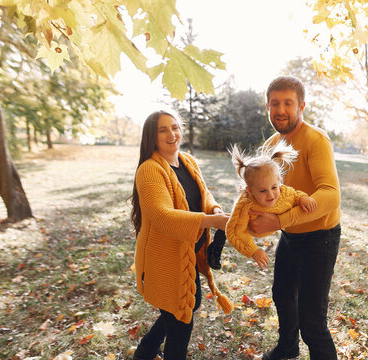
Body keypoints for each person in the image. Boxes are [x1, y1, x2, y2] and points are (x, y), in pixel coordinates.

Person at [249, 76, 342, 360]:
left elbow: (331, 194)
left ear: (301, 106)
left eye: (288, 103)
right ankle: (288, 348)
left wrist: (278, 221)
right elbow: (262, 191)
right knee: (282, 296)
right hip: (290, 236)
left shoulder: (315, 140)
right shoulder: (271, 145)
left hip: (320, 237)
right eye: (275, 103)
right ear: (267, 106)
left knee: (312, 322)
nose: (281, 109)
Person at [130, 110, 232, 360]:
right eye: (163, 130)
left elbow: (204, 195)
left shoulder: (188, 161)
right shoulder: (150, 170)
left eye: (174, 127)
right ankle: (149, 352)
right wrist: (212, 221)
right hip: (164, 260)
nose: (171, 133)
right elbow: (163, 216)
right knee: (180, 323)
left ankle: (145, 352)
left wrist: (216, 209)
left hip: (185, 255)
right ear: (151, 138)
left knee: (187, 306)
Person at [222, 140, 317, 271]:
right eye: (262, 191)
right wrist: (254, 251)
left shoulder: (283, 192)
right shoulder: (245, 205)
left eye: (274, 187)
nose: (271, 195)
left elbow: (295, 195)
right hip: (254, 230)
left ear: (279, 182)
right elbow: (235, 232)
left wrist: (304, 198)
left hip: (299, 234)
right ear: (250, 190)